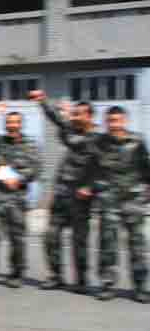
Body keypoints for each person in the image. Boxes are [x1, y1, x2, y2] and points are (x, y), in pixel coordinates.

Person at [79, 106, 150, 302]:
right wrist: (88, 187)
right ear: (105, 122)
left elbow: (146, 167)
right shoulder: (98, 143)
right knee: (107, 244)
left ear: (125, 121)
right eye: (110, 120)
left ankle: (140, 287)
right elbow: (91, 169)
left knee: (137, 245)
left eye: (118, 120)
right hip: (108, 201)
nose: (114, 124)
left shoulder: (137, 141)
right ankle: (107, 285)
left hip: (132, 200)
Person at [31, 91, 98, 293]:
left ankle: (82, 280)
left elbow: (104, 169)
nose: (75, 117)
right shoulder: (71, 131)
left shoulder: (99, 140)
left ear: (90, 116)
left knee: (79, 240)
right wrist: (43, 101)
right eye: (74, 114)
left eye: (80, 114)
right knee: (50, 236)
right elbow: (57, 118)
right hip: (61, 195)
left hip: (81, 199)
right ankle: (56, 276)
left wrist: (91, 187)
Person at [0, 110, 41, 288]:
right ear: (5, 124)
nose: (12, 125)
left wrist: (19, 178)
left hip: (17, 199)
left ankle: (16, 273)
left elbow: (36, 168)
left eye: (15, 122)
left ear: (21, 124)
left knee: (17, 238)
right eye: (9, 122)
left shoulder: (30, 144)